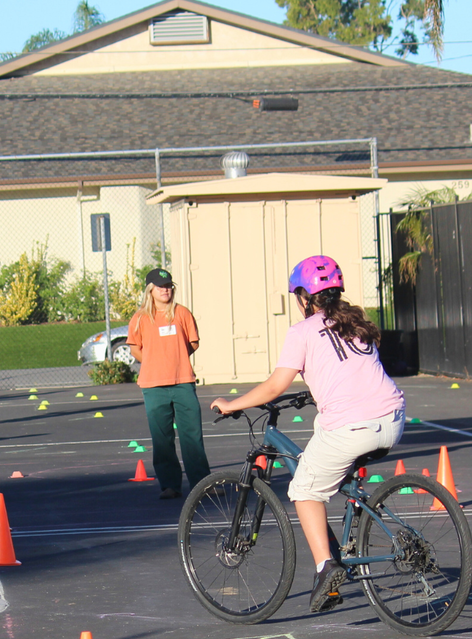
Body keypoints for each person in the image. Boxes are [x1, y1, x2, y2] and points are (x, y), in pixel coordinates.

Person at [210, 255, 406, 613]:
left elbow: (273, 387)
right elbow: (352, 372)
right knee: (328, 441)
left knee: (303, 488)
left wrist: (232, 404)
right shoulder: (357, 322)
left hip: (353, 427)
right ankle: (354, 527)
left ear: (303, 297)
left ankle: (325, 568)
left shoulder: (302, 332)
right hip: (393, 419)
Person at [125, 268, 211, 500]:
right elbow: (135, 348)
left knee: (192, 435)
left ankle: (201, 483)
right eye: (160, 286)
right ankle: (170, 485)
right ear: (150, 289)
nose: (165, 289)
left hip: (182, 382)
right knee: (161, 438)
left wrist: (175, 359)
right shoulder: (141, 317)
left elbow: (193, 343)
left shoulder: (181, 313)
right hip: (153, 386)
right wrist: (155, 362)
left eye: (168, 286)